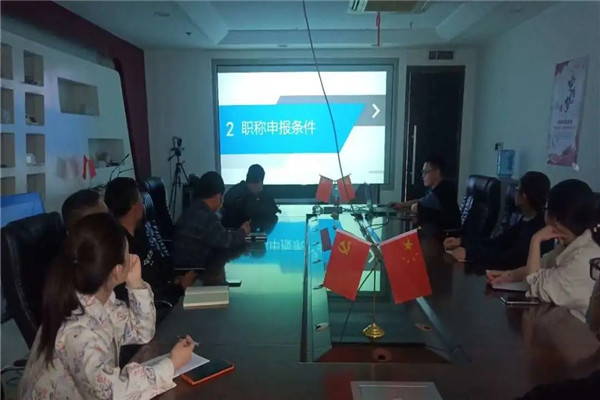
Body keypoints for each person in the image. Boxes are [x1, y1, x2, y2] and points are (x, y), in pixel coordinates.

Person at [18, 213, 195, 399]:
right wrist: (171, 365)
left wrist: (135, 284)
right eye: (128, 253)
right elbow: (113, 394)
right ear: (117, 271)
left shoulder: (99, 300)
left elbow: (142, 330)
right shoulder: (77, 331)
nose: (132, 258)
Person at [488, 179, 600, 322]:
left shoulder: (584, 258)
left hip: (575, 331)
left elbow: (535, 284)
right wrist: (508, 276)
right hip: (558, 324)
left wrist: (536, 240)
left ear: (556, 219)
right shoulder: (574, 244)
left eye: (547, 208)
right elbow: (542, 265)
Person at [104, 178, 196, 307]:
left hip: (170, 293)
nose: (143, 204)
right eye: (140, 200)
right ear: (134, 206)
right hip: (158, 307)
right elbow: (135, 296)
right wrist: (179, 288)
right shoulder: (119, 247)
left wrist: (177, 279)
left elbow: (160, 267)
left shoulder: (141, 232)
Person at [444, 171, 553, 268]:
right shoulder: (527, 219)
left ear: (524, 196)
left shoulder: (539, 226)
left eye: (517, 190)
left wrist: (470, 253)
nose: (514, 193)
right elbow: (498, 242)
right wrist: (462, 242)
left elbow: (511, 258)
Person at [172, 171, 251, 270]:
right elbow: (225, 240)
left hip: (188, 265)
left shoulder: (196, 208)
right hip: (192, 270)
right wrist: (243, 231)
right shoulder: (206, 216)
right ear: (219, 196)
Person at [391, 156, 461, 229]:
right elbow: (420, 201)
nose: (422, 175)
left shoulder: (443, 191)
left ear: (437, 172)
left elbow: (415, 207)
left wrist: (412, 207)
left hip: (445, 234)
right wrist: (401, 204)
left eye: (425, 172)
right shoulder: (442, 187)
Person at [221, 164, 280, 228]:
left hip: (227, 229)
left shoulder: (236, 189)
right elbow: (270, 211)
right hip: (238, 231)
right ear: (260, 182)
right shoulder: (247, 197)